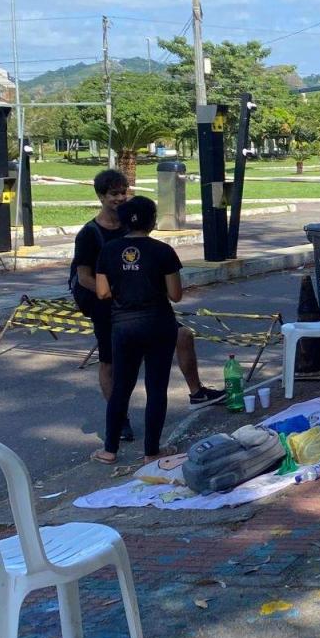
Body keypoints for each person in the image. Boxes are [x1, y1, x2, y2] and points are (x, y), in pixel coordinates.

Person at [70, 169, 223, 445]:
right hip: (109, 308)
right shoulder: (90, 235)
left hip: (147, 310)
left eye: (123, 192)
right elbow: (84, 278)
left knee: (183, 335)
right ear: (100, 196)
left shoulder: (135, 233)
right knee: (110, 363)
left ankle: (196, 391)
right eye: (113, 194)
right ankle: (120, 421)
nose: (119, 198)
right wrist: (115, 295)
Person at [91, 195, 182, 464]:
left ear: (122, 222)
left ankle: (109, 450)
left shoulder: (108, 251)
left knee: (121, 386)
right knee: (156, 388)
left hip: (123, 325)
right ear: (153, 221)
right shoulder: (163, 251)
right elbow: (175, 294)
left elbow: (102, 291)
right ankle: (152, 450)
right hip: (158, 324)